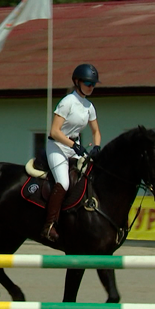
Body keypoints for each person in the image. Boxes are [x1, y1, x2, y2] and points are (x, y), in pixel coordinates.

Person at [41, 63, 102, 242]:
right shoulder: (67, 102)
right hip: (57, 146)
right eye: (88, 83)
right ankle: (49, 225)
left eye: (93, 84)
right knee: (64, 182)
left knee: (89, 177)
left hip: (75, 146)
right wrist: (73, 146)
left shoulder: (89, 106)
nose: (91, 87)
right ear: (77, 82)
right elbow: (54, 131)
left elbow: (96, 131)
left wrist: (97, 146)